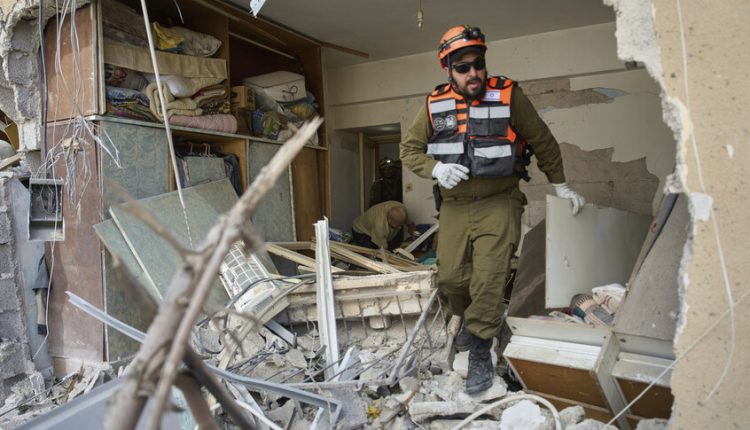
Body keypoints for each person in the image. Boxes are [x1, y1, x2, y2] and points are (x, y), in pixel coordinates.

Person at [400, 25, 585, 394]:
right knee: (451, 279)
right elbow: (409, 150)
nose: (474, 73)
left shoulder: (508, 94)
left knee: (489, 277)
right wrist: (435, 169)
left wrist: (561, 183)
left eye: (478, 64)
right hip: (454, 205)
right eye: (463, 68)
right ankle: (476, 321)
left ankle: (481, 349)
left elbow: (542, 140)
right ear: (448, 70)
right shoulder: (434, 104)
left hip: (500, 200)